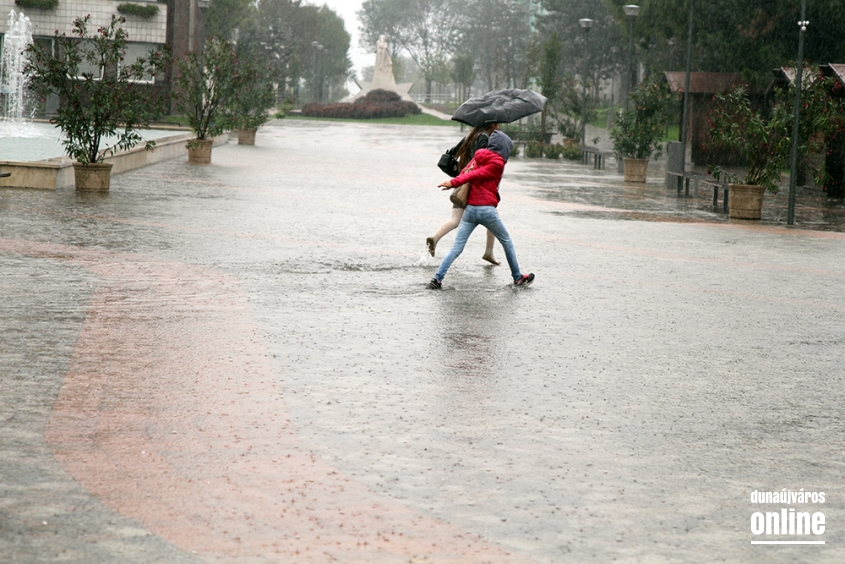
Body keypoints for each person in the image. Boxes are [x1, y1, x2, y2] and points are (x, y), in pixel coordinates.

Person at [427, 129, 534, 289]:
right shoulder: (497, 164)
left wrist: (455, 181)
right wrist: (453, 183)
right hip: (486, 211)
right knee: (507, 241)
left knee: (457, 247)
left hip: (470, 210)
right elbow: (473, 175)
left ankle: (437, 279)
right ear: (503, 149)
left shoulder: (479, 156)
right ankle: (517, 277)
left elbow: (465, 171)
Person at [426, 124, 500, 265]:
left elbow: (452, 153)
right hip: (474, 185)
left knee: (454, 220)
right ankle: (489, 252)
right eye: (497, 124)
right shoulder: (484, 138)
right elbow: (481, 160)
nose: (498, 127)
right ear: (492, 124)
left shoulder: (469, 137)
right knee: (492, 216)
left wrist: (460, 172)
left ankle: (435, 238)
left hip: (462, 182)